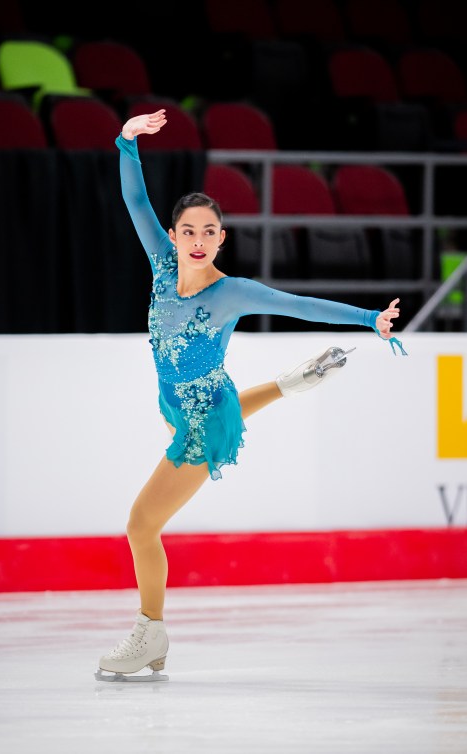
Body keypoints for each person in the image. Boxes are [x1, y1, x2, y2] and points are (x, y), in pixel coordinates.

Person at [96, 109, 405, 682]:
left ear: (221, 239)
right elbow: (136, 203)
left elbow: (301, 305)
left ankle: (150, 634)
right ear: (173, 236)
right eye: (187, 231)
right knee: (207, 421)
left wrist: (369, 319)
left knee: (141, 525)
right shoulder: (163, 268)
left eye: (208, 232)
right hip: (182, 400)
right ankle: (290, 383)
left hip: (201, 419)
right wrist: (126, 142)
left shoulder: (231, 293)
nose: (196, 241)